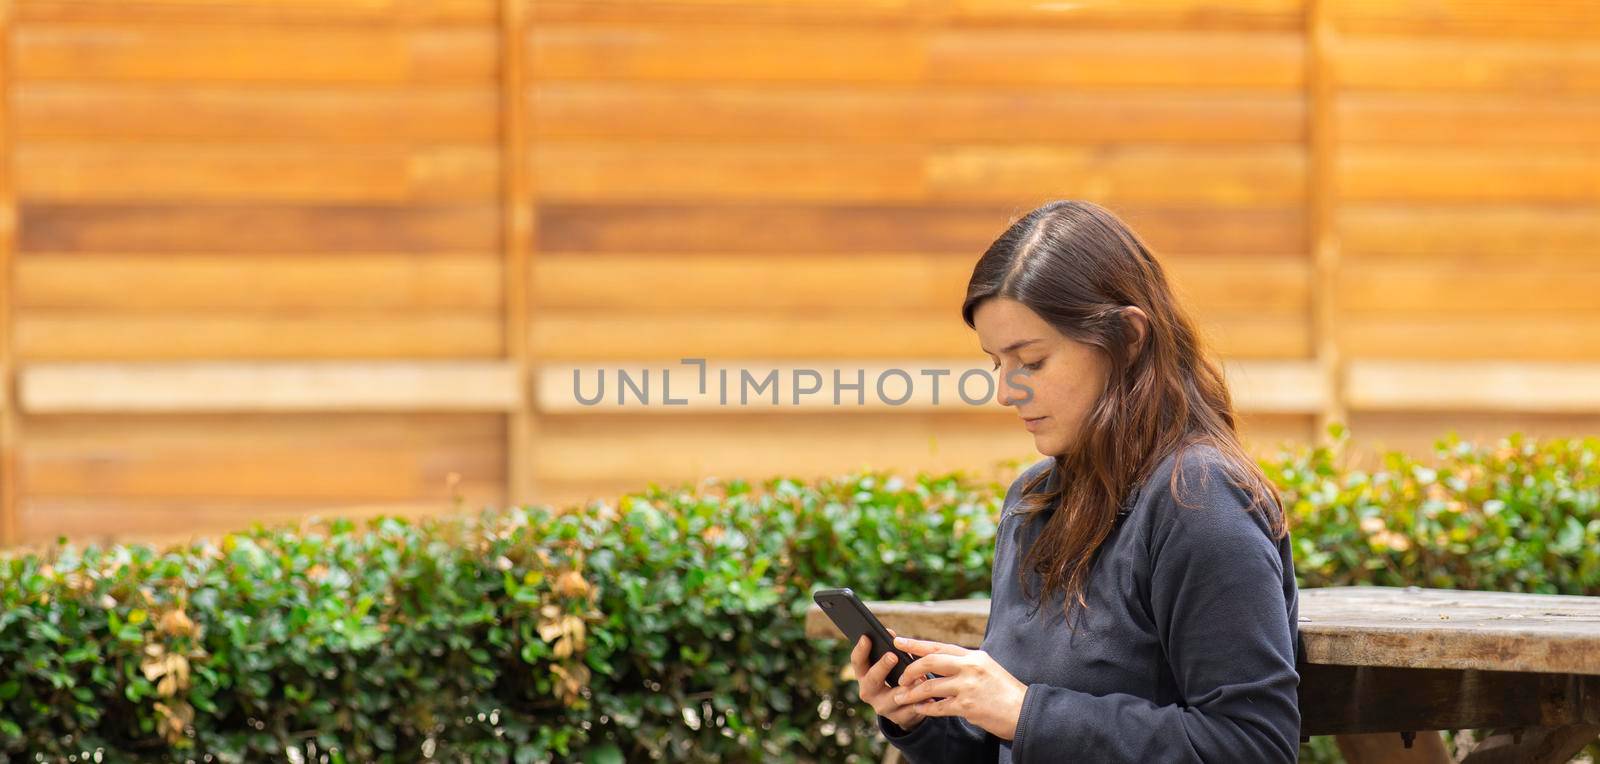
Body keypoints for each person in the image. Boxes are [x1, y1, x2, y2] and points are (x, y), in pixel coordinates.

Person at [848, 200, 1301, 762]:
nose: (1006, 391)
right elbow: (1016, 743)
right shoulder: (1036, 502)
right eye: (997, 364)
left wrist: (1024, 711)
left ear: (1129, 339)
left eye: (1031, 361)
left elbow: (1252, 747)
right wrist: (926, 718)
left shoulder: (1200, 499)